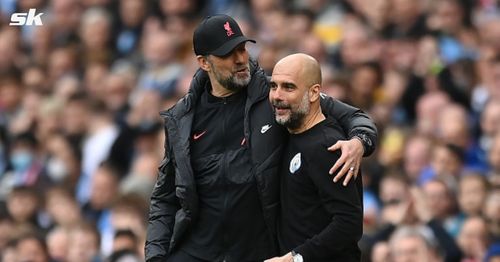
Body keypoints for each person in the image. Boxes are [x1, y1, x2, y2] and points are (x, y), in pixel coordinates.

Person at [145, 14, 377, 262]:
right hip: (197, 251)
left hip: (257, 252)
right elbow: (165, 197)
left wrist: (359, 142)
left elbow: (353, 116)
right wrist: (155, 256)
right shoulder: (183, 118)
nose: (240, 59)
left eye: (242, 48)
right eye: (227, 54)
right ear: (204, 62)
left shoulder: (278, 94)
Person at [264, 53, 364, 261]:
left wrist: (295, 258)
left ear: (313, 93)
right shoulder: (288, 133)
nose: (277, 96)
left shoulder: (327, 146)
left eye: (288, 87)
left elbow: (348, 223)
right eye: (273, 86)